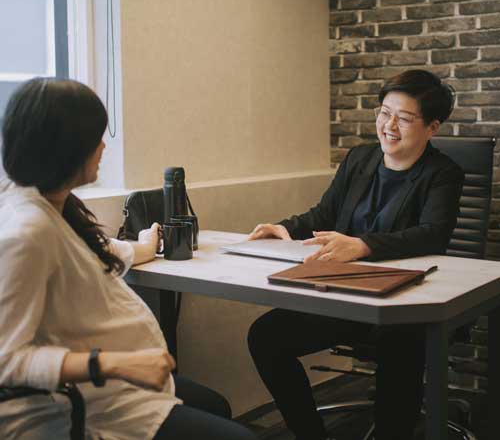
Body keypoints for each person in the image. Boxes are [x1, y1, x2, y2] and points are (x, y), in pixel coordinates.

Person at [0, 77, 257, 440]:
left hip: (113, 383)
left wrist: (146, 245)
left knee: (214, 405)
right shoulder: (27, 233)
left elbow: (98, 253)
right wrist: (115, 363)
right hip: (88, 400)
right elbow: (6, 361)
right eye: (95, 138)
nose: (103, 147)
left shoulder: (53, 204)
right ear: (66, 148)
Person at [247, 70, 464, 440]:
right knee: (265, 336)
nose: (389, 125)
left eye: (405, 118)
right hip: (345, 295)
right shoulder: (359, 160)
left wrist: (364, 245)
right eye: (384, 112)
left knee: (400, 343)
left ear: (432, 127)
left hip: (403, 302)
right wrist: (282, 228)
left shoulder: (443, 173)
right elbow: (324, 215)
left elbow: (433, 234)